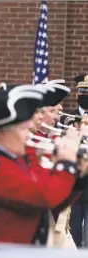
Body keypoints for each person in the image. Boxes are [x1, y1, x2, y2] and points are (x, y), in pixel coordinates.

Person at [0, 87, 88, 245]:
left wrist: (79, 177)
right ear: (2, 133)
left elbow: (53, 204)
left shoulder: (17, 158)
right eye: (22, 129)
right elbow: (43, 198)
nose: (28, 135)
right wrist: (66, 163)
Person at [70, 74, 88, 247]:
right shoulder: (66, 119)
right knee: (74, 229)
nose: (85, 95)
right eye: (83, 92)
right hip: (74, 182)